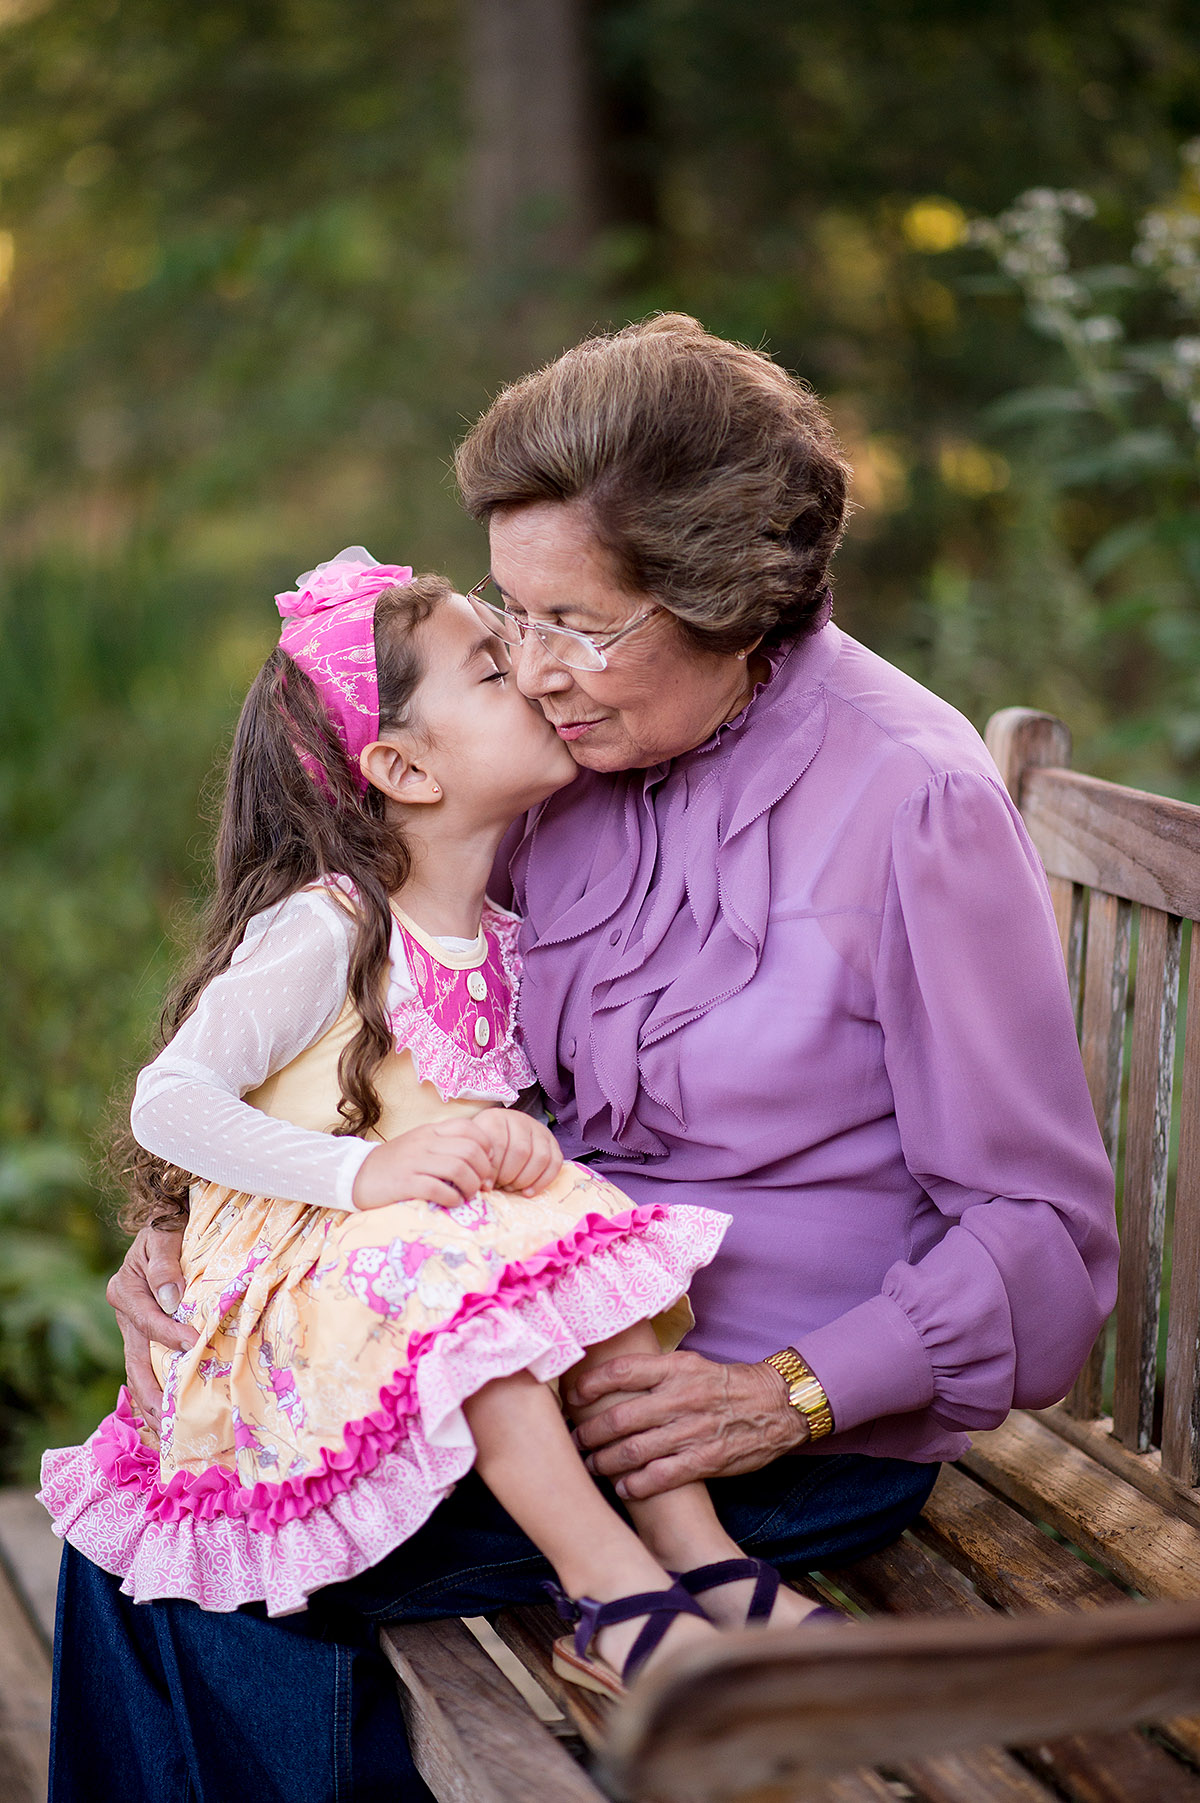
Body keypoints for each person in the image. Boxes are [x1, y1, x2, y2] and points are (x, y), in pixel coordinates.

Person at [57, 316, 1119, 1803]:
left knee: (194, 1579)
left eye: (578, 621)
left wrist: (793, 1393)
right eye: (513, 614)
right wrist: (200, 1236)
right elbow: (385, 1041)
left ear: (725, 598)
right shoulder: (563, 765)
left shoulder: (911, 799)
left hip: (734, 1434)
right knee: (157, 1513)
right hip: (510, 1356)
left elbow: (1044, 1234)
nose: (537, 667)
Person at [42, 547, 840, 1703]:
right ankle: (610, 1592)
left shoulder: (502, 931)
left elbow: (464, 1114)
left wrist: (510, 1143)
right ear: (405, 768)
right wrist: (361, 1174)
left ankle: (700, 1556)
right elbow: (170, 1100)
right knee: (457, 1290)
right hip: (308, 1276)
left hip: (403, 1253)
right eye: (495, 668)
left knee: (580, 1224)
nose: (536, 671)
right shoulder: (327, 928)